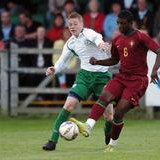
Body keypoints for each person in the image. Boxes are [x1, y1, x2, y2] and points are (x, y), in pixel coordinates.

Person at [70, 10, 160, 152]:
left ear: (131, 23)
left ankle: (112, 144)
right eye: (118, 23)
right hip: (122, 77)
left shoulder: (140, 37)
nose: (120, 26)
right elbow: (114, 60)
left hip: (137, 81)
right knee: (104, 97)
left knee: (119, 112)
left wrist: (154, 70)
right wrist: (97, 62)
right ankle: (88, 126)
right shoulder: (117, 40)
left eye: (123, 24)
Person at [42, 12, 113, 151]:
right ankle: (52, 140)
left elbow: (96, 37)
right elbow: (62, 61)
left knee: (109, 115)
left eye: (75, 24)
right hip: (84, 77)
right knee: (68, 105)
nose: (72, 27)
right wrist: (54, 68)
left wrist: (101, 44)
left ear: (82, 24)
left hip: (102, 77)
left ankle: (108, 131)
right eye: (70, 25)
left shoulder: (88, 33)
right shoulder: (71, 43)